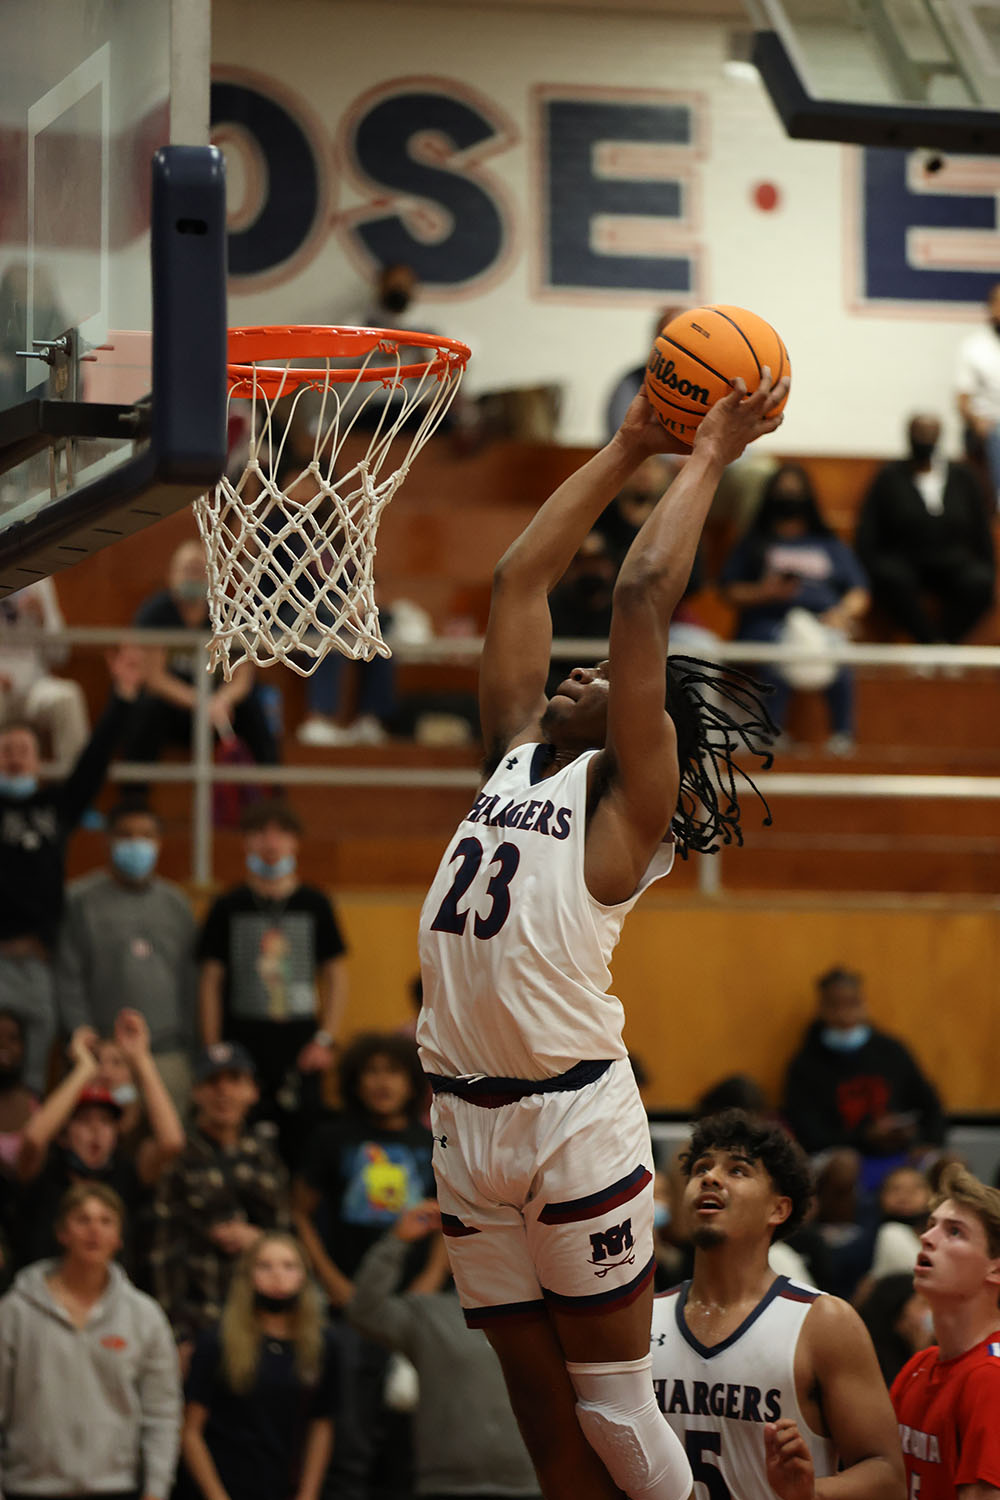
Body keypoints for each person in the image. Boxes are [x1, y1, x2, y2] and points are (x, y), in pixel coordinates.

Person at [416, 374, 787, 1500]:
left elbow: (637, 598)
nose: (580, 672)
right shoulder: (514, 754)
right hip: (462, 1117)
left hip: (570, 1116)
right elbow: (519, 574)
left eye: (609, 685)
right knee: (542, 1424)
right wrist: (627, 440)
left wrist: (707, 454)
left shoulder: (628, 808)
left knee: (614, 1413)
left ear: (642, 726)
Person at [650, 1110, 904, 1500]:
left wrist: (810, 1493)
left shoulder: (824, 1323)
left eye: (737, 1170)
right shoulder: (643, 1319)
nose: (710, 1177)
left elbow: (887, 1477)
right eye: (701, 1167)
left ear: (778, 1209)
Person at [293, 1031, 440, 1500]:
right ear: (354, 1081)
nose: (382, 1082)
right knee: (349, 1436)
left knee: (409, 1440)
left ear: (411, 1082)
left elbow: (453, 1222)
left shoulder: (432, 1141)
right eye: (371, 1072)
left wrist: (430, 1280)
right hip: (348, 1307)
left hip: (414, 1310)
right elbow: (299, 1213)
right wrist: (331, 1279)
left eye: (392, 1071)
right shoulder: (331, 1137)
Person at [0, 645, 146, 1093]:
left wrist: (121, 696)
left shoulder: (55, 806)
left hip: (39, 962)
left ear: (38, 759)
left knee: (31, 1081)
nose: (15, 757)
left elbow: (92, 764)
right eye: (5, 750)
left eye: (24, 750)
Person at [348, 1201, 542, 1500]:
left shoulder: (545, 1313)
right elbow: (366, 1311)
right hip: (446, 1485)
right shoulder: (429, 1314)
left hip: (532, 1483)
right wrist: (397, 1240)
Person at [0, 1181, 182, 1500]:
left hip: (116, 1487)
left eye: (106, 1221)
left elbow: (162, 1411)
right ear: (62, 1233)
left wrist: (156, 1489)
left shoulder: (144, 1316)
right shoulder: (16, 1311)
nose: (94, 1230)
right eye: (82, 1220)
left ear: (119, 1237)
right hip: (29, 1487)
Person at [197, 798, 348, 1159]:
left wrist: (325, 1038)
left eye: (281, 832)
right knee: (239, 1139)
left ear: (294, 842)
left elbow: (337, 976)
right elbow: (210, 982)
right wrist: (214, 1047)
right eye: (259, 833)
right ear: (246, 842)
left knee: (301, 1142)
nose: (270, 842)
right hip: (241, 1047)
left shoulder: (315, 902)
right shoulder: (227, 905)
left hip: (301, 1049)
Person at [56, 800, 197, 1114]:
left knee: (167, 1148)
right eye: (126, 835)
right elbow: (68, 976)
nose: (137, 843)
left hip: (167, 1054)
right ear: (108, 839)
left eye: (146, 835)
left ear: (159, 842)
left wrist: (191, 1043)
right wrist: (83, 1035)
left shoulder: (177, 904)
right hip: (104, 1057)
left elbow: (191, 980)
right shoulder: (81, 900)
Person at [14, 1013, 185, 1272]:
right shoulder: (48, 1170)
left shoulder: (125, 1170)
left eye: (105, 1123)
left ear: (117, 1132)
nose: (96, 1131)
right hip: (40, 1298)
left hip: (112, 1301)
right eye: (84, 1122)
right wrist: (84, 1068)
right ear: (63, 1133)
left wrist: (140, 1058)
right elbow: (33, 1138)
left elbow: (171, 1142)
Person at [719, 464, 870, 754]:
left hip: (822, 623)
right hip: (768, 622)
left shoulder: (829, 543)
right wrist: (765, 592)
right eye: (783, 492)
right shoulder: (754, 543)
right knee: (779, 651)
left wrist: (842, 613)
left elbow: (858, 590)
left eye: (795, 492)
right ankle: (772, 731)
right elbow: (730, 590)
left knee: (840, 652)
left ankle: (842, 735)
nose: (789, 497)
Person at [151, 1041, 291, 1353]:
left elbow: (286, 1237)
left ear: (253, 1092)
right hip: (196, 1321)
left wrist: (258, 1240)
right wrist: (177, 1333)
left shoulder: (267, 1157)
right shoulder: (177, 1156)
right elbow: (162, 1251)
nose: (223, 1092)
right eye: (212, 1082)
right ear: (196, 1092)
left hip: (260, 1320)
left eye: (235, 1080)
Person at [181, 1232, 337, 1500]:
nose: (277, 1275)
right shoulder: (216, 1341)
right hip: (223, 1485)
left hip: (285, 1485)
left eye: (289, 1266)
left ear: (304, 1276)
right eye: (265, 1266)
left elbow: (321, 1424)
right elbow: (190, 1431)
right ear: (247, 1276)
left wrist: (308, 1494)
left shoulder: (322, 1345)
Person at [891, 1164, 1000, 1498]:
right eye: (931, 1225)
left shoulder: (990, 1379)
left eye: (954, 1231)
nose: (927, 1237)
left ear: (996, 1268)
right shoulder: (919, 1365)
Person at [125, 539, 279, 770]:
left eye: (199, 570)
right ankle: (133, 798)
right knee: (146, 709)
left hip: (218, 709)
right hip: (177, 706)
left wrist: (223, 700)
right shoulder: (155, 613)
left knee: (252, 707)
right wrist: (200, 701)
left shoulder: (229, 613)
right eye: (187, 570)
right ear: (171, 575)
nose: (193, 577)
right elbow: (154, 678)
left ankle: (272, 792)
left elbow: (244, 677)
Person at [782, 966, 946, 1178]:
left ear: (864, 1005)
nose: (844, 1014)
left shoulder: (892, 1051)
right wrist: (864, 1136)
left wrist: (927, 1141)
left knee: (951, 1166)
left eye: (852, 1003)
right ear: (821, 1009)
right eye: (835, 1005)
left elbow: (930, 1105)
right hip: (842, 1154)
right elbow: (809, 1133)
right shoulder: (805, 1064)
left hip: (902, 1150)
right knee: (844, 1165)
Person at [856, 415, 995, 643]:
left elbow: (981, 530)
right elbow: (869, 530)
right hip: (904, 560)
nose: (924, 439)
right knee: (889, 578)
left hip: (955, 561)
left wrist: (988, 567)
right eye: (919, 433)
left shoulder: (963, 477)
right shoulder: (889, 476)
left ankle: (943, 645)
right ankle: (930, 642)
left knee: (980, 582)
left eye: (930, 433)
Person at [0, 578, 88, 772]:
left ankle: (74, 792)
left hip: (34, 686)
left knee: (68, 697)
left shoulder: (40, 577)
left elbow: (60, 654)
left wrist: (43, 617)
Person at [956, 281, 1000, 508]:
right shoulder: (975, 347)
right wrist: (977, 421)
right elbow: (962, 399)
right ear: (991, 307)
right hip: (986, 427)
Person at [856, 1272, 933, 1387]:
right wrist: (922, 1355)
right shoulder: (871, 1367)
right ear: (898, 1318)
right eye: (923, 1304)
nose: (931, 1312)